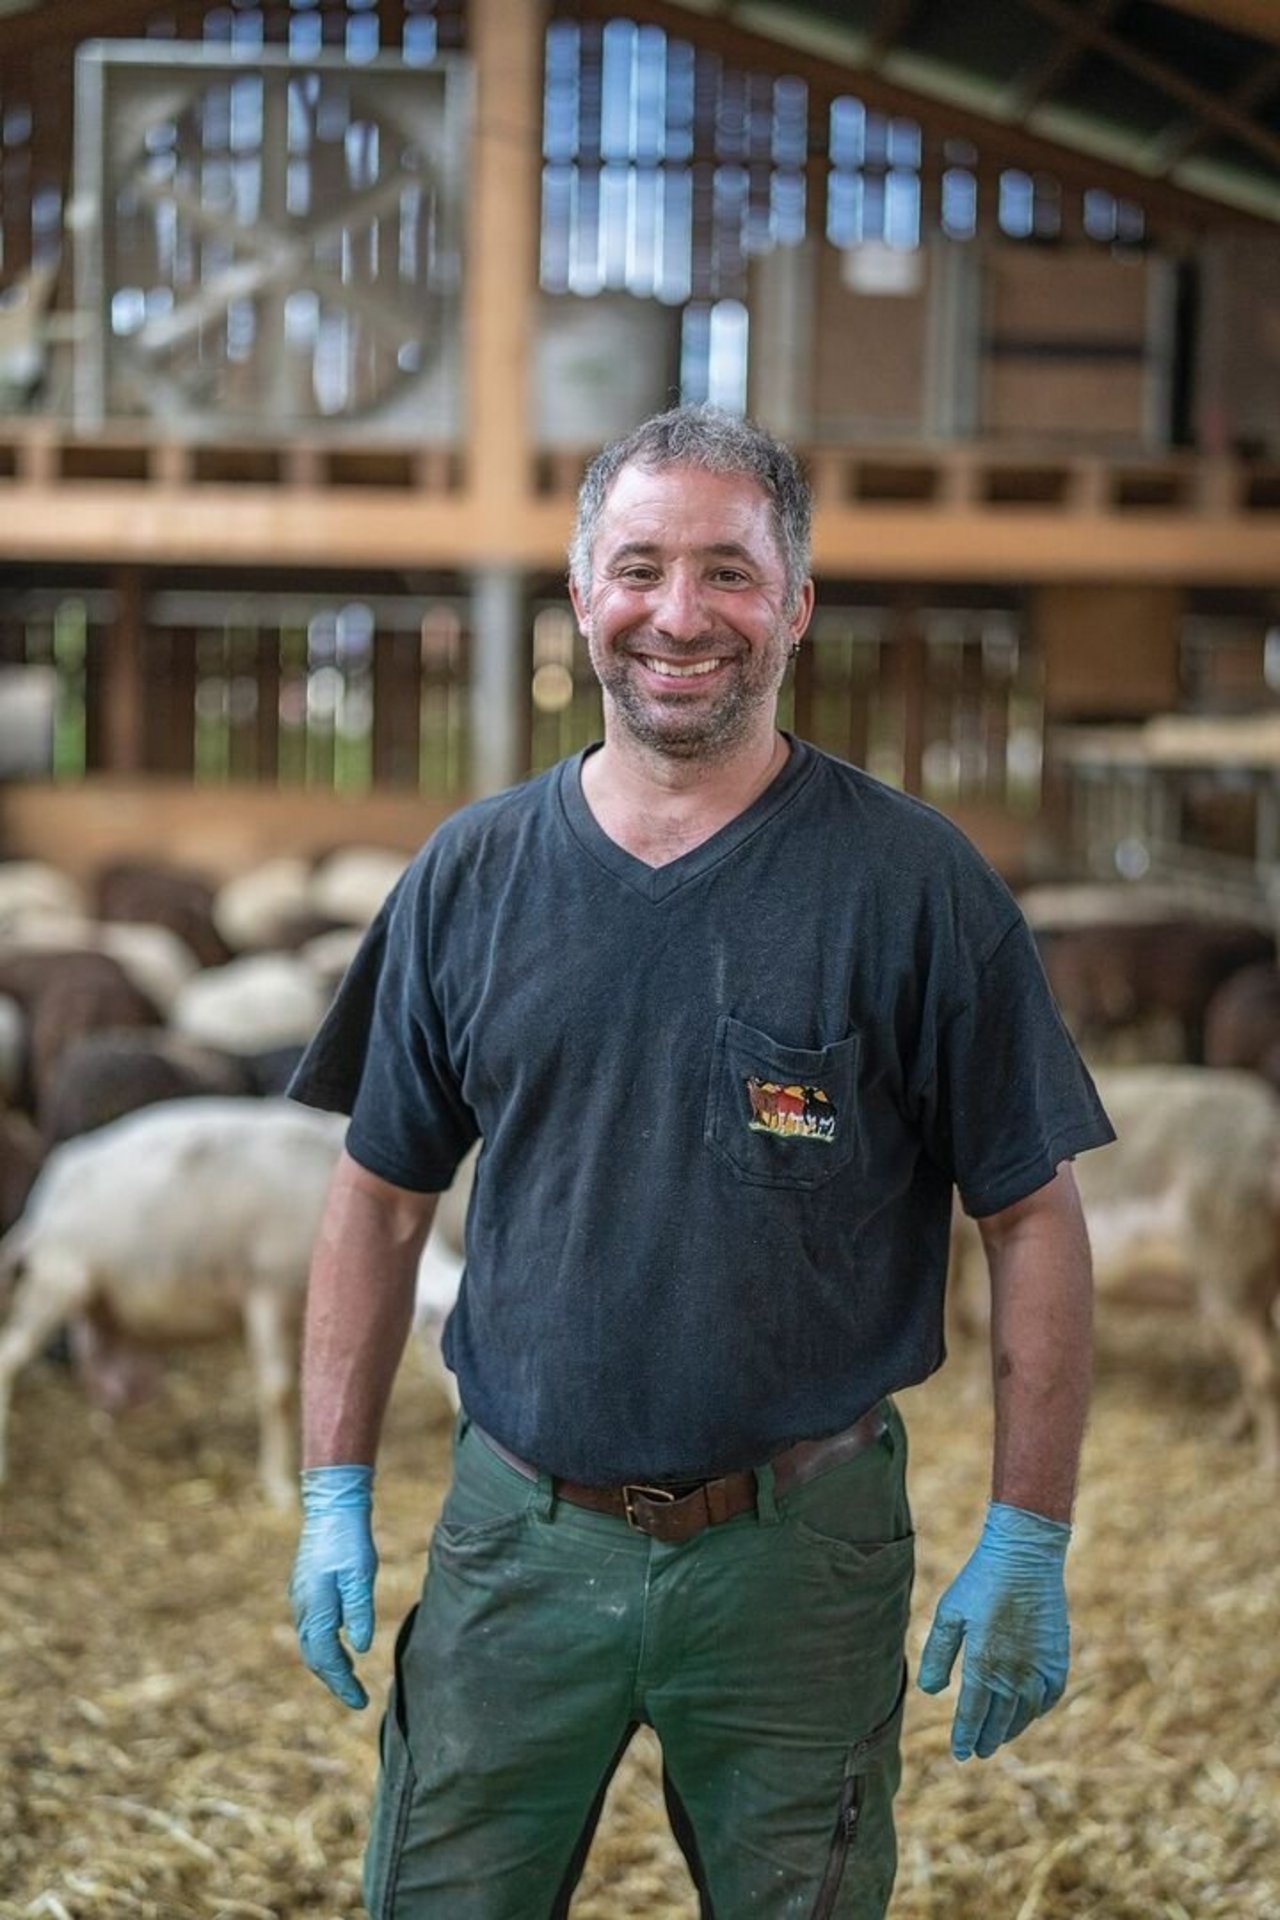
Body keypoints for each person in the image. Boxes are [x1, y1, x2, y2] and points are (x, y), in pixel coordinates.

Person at [287, 405, 1114, 1920]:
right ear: (580, 589)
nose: (680, 615)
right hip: (518, 1544)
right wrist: (332, 1487)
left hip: (800, 1557)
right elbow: (381, 1195)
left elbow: (1032, 1213)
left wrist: (1030, 1529)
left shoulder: (912, 884)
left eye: (731, 574)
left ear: (796, 607)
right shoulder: (474, 876)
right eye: (640, 567)